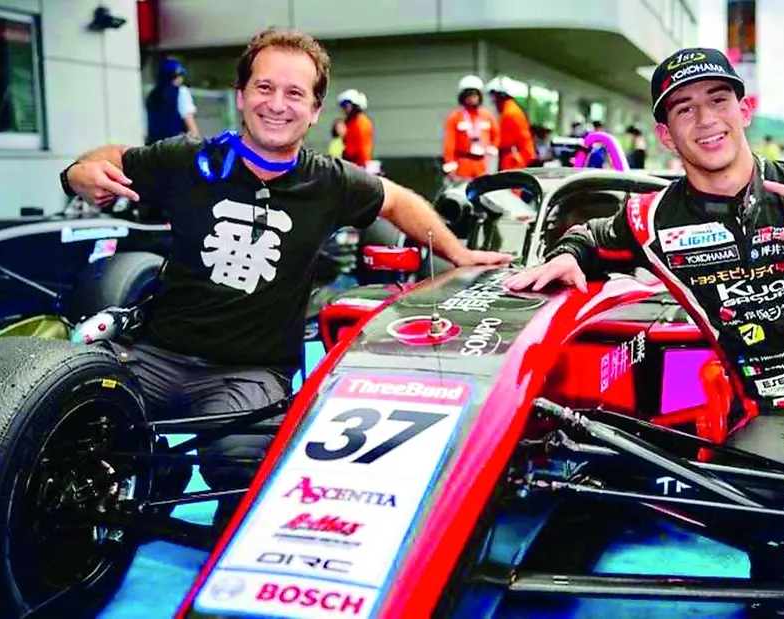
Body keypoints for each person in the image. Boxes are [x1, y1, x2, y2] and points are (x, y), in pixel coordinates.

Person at [504, 47, 784, 618]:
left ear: (744, 110)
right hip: (779, 419)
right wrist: (569, 253)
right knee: (735, 500)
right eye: (685, 109)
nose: (706, 119)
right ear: (666, 135)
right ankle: (775, 577)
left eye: (718, 100)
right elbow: (593, 237)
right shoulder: (649, 219)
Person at [60, 28, 512, 530]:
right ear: (241, 96)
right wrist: (77, 172)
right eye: (264, 87)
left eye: (295, 93)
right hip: (155, 356)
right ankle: (155, 473)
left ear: (315, 110)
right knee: (58, 411)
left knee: (244, 467)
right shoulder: (187, 159)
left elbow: (400, 201)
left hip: (248, 374)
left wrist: (458, 253)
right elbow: (110, 156)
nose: (277, 105)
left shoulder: (331, 181)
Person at [442, 75, 499, 181]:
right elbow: (449, 143)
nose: (472, 98)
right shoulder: (455, 117)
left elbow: (496, 135)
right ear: (463, 97)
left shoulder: (487, 115)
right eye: (469, 95)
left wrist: (492, 149)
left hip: (482, 164)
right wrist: (450, 164)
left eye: (475, 94)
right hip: (462, 164)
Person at [145, 57, 200, 145]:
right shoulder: (181, 92)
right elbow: (189, 121)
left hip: (154, 145)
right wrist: (198, 143)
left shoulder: (152, 96)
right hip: (176, 145)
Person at [485, 78, 537, 171]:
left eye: (494, 97)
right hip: (513, 157)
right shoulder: (510, 109)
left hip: (513, 159)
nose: (493, 101)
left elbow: (520, 138)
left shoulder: (510, 113)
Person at [336, 88, 374, 168]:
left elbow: (358, 148)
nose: (344, 110)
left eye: (346, 106)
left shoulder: (360, 122)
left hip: (359, 165)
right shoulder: (351, 122)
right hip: (353, 163)